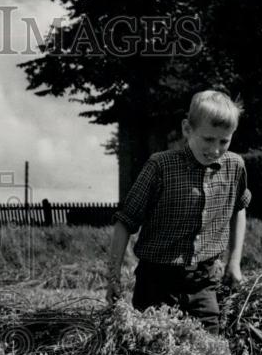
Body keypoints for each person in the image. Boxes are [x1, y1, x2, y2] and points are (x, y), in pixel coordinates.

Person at [105, 90, 250, 334]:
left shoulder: (234, 166)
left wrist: (234, 262)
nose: (215, 149)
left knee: (209, 350)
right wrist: (113, 277)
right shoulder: (160, 167)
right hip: (156, 282)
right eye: (208, 139)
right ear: (187, 129)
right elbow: (125, 222)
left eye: (224, 141)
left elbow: (239, 208)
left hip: (203, 283)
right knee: (154, 350)